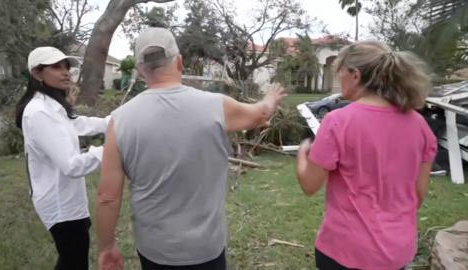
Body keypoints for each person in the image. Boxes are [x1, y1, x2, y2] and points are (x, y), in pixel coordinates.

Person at [95, 27, 285, 270]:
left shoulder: (119, 121)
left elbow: (107, 198)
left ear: (140, 69)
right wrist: (270, 98)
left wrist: (107, 247)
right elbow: (261, 114)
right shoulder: (216, 107)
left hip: (155, 249)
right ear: (180, 62)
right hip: (206, 249)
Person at [296, 40, 438, 270]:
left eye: (339, 72)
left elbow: (310, 185)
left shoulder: (338, 122)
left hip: (345, 251)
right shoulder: (419, 125)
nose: (338, 78)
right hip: (396, 253)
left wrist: (303, 155)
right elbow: (417, 196)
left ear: (355, 74)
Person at [15, 46, 110, 270]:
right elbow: (71, 166)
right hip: (59, 203)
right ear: (37, 73)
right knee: (74, 260)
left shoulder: (52, 106)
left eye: (66, 67)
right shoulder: (39, 112)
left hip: (66, 198)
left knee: (72, 258)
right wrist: (110, 149)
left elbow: (78, 123)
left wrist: (114, 122)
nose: (66, 72)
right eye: (56, 67)